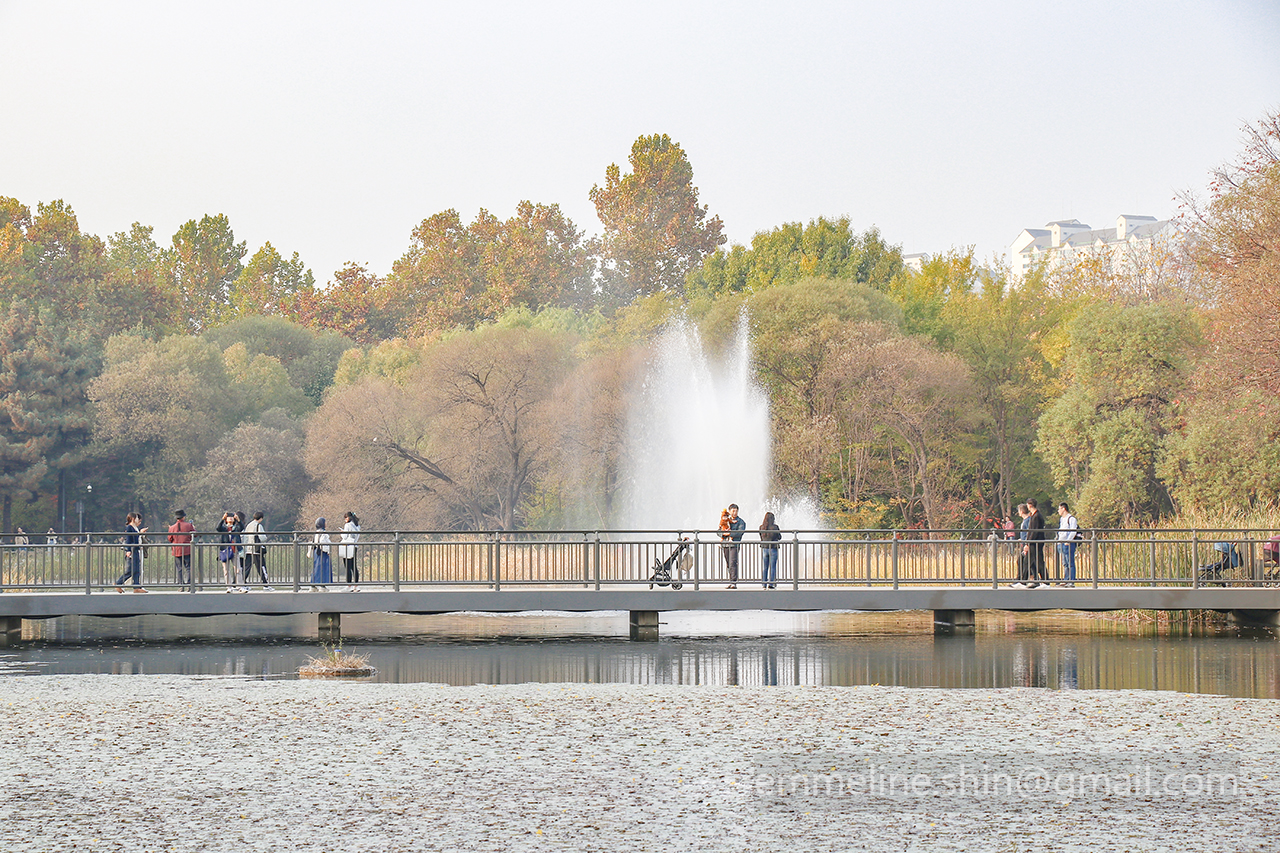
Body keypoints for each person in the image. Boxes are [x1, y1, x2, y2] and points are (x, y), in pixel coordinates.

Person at [114, 512, 148, 593]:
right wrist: (128, 550)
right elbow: (129, 540)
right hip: (132, 550)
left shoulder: (134, 527)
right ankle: (118, 583)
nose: (138, 520)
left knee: (136, 570)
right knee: (130, 570)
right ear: (133, 519)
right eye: (136, 518)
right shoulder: (129, 527)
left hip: (136, 550)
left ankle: (137, 587)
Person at [217, 511, 246, 593]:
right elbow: (218, 528)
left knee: (238, 569)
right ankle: (229, 587)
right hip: (225, 550)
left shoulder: (236, 528)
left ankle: (240, 586)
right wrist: (222, 519)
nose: (230, 518)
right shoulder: (224, 528)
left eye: (232, 517)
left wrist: (238, 520)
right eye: (228, 517)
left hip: (234, 550)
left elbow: (242, 528)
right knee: (226, 570)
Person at [242, 511, 272, 590]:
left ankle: (242, 583)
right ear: (261, 518)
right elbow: (262, 537)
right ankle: (266, 584)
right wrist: (265, 539)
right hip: (257, 550)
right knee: (261, 567)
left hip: (249, 549)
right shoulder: (258, 525)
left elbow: (245, 537)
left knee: (247, 567)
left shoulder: (249, 525)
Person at [168, 509, 195, 591]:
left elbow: (170, 539)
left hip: (176, 550)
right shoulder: (189, 525)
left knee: (179, 568)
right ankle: (189, 585)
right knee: (188, 567)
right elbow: (195, 535)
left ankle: (181, 585)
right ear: (183, 517)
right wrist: (193, 528)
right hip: (187, 549)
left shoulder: (172, 527)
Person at [721, 503, 746, 589]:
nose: (735, 513)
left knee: (733, 562)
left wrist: (729, 534)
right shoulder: (725, 520)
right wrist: (723, 534)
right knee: (728, 563)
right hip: (725, 544)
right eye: (733, 511)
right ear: (729, 511)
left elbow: (740, 532)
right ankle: (730, 580)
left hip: (734, 544)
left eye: (736, 511)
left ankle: (733, 582)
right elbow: (719, 530)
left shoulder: (741, 522)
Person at [1056, 502, 1080, 587]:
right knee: (1065, 563)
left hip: (1068, 543)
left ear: (1064, 509)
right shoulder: (1062, 519)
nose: (1058, 511)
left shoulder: (1071, 519)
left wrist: (1068, 541)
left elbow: (1073, 531)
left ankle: (1071, 580)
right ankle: (1066, 579)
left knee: (1070, 562)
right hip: (1061, 542)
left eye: (1059, 509)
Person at [1025, 498, 1047, 587]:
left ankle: (1045, 581)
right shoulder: (1033, 516)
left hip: (1036, 543)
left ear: (1030, 505)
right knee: (1030, 562)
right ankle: (1033, 580)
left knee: (1038, 561)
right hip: (1033, 543)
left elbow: (1034, 532)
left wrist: (1028, 543)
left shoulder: (1037, 516)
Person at [339, 511, 361, 592]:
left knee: (347, 566)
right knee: (354, 566)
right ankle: (356, 586)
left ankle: (349, 585)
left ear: (348, 518)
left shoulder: (347, 525)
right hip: (354, 546)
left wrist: (342, 532)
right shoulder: (357, 526)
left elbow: (345, 536)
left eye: (345, 518)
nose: (345, 519)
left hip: (347, 547)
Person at [759, 511, 781, 589]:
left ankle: (764, 584)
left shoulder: (761, 527)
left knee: (765, 567)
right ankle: (771, 584)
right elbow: (779, 537)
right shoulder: (775, 527)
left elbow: (761, 537)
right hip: (773, 548)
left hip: (765, 549)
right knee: (773, 567)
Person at [310, 517, 332, 591]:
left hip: (316, 553)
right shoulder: (323, 533)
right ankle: (322, 586)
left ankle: (313, 585)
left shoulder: (316, 532)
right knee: (323, 569)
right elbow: (323, 543)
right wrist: (328, 550)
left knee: (316, 569)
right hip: (323, 553)